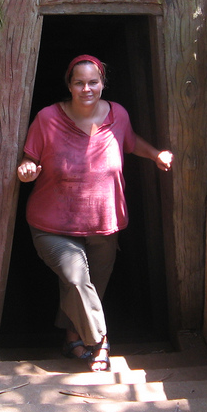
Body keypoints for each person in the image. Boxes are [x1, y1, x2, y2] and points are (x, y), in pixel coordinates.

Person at [16, 54, 173, 372]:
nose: (86, 88)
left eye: (93, 82)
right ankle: (99, 341)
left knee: (88, 288)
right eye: (79, 82)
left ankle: (73, 336)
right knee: (76, 279)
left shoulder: (119, 115)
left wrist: (156, 154)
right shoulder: (48, 118)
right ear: (69, 85)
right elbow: (27, 159)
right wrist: (27, 169)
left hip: (104, 222)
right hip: (52, 223)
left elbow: (130, 143)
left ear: (102, 83)